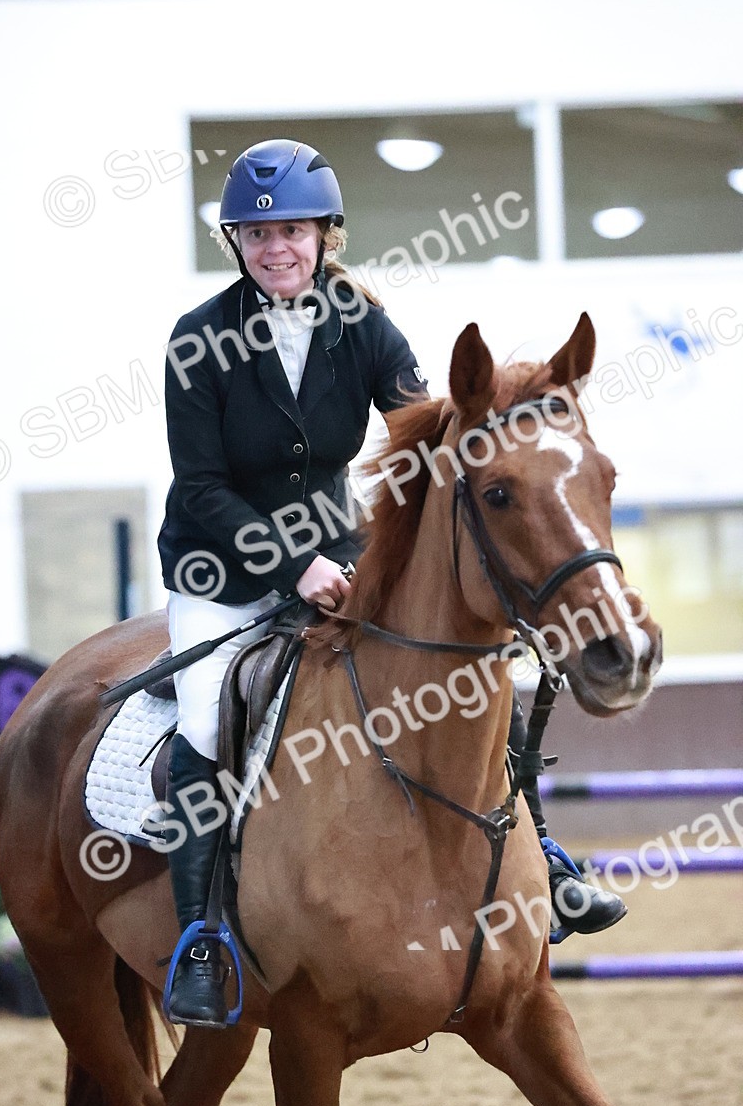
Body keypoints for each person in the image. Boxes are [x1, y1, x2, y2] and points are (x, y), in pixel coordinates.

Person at [157, 138, 624, 1027]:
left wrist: (508, 419)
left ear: (326, 235)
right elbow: (201, 487)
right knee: (206, 714)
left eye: (292, 230)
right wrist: (295, 563)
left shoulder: (363, 325)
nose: (275, 249)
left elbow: (428, 429)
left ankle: (547, 858)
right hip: (222, 571)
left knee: (475, 678)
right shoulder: (198, 340)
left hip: (344, 558)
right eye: (256, 235)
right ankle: (200, 938)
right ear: (236, 244)